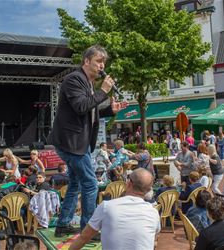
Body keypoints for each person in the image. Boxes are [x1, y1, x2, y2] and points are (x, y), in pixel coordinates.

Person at [47, 45, 128, 236]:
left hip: (77, 142)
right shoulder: (74, 79)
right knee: (91, 184)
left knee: (75, 183)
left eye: (104, 62)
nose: (102, 66)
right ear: (86, 61)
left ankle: (63, 224)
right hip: (71, 143)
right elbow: (81, 106)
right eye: (99, 61)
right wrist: (104, 91)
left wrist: (109, 110)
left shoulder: (88, 84)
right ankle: (88, 230)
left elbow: (90, 110)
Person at [68, 168, 160, 250]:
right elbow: (153, 243)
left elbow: (84, 238)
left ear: (128, 183)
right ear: (148, 190)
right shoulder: (154, 212)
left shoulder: (106, 207)